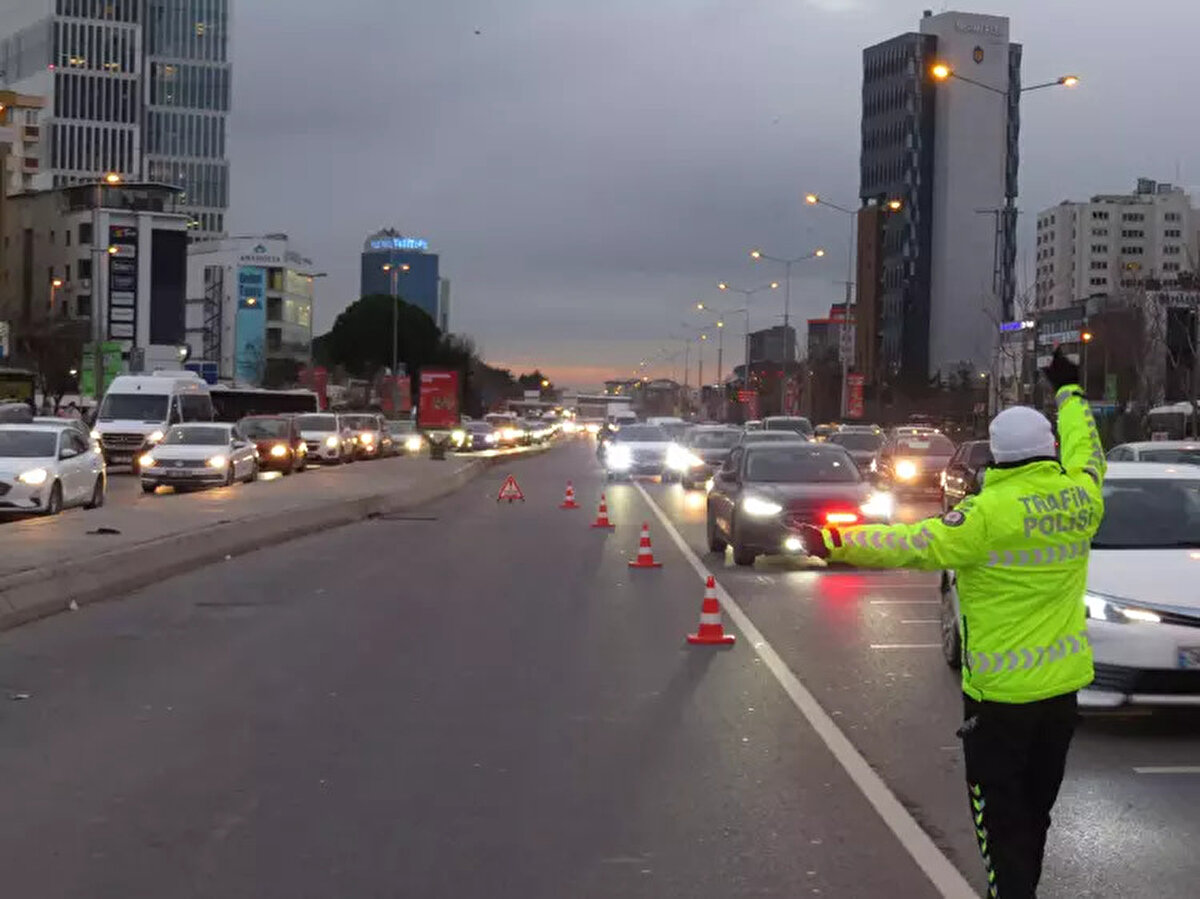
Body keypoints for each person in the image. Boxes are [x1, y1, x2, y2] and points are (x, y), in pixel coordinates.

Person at [797, 348, 1104, 898]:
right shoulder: (1082, 498)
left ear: (996, 456)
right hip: (1061, 695)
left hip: (999, 702)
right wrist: (1070, 392)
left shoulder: (985, 516)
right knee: (1035, 814)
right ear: (1048, 450)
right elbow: (1089, 451)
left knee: (1000, 823)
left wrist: (834, 541)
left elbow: (910, 543)